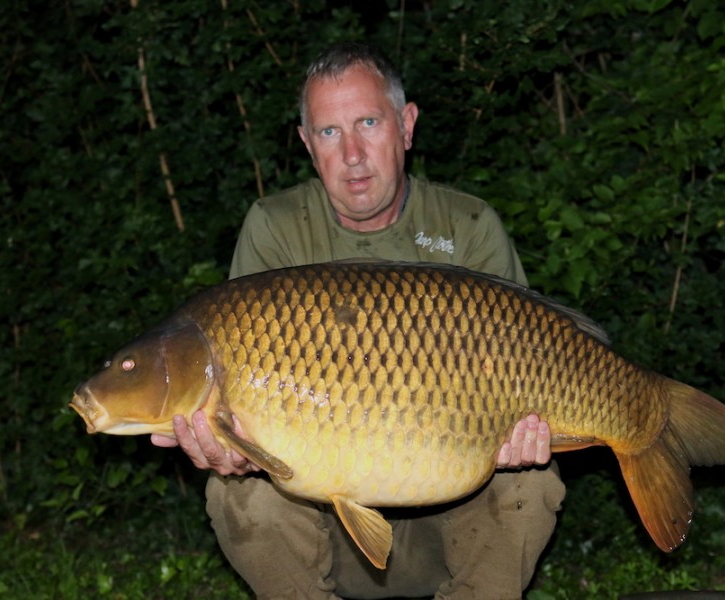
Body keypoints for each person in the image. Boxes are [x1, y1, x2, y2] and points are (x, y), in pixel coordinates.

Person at [151, 42, 565, 600]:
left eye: (368, 122)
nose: (351, 153)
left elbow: (534, 361)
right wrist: (230, 446)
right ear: (306, 143)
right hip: (324, 525)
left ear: (407, 125)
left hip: (455, 518)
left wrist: (524, 433)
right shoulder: (274, 229)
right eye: (328, 132)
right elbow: (245, 412)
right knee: (238, 496)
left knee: (529, 484)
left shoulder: (468, 226)